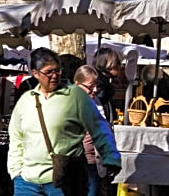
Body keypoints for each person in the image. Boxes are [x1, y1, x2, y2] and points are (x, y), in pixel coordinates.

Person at [8, 48, 121, 196]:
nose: (54, 76)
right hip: (27, 183)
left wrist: (111, 157)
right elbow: (16, 137)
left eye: (58, 71)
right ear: (35, 73)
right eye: (49, 72)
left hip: (63, 181)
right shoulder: (26, 101)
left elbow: (100, 127)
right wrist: (16, 172)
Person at [74, 65, 114, 196]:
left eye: (96, 85)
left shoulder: (99, 103)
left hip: (96, 164)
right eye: (90, 86)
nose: (95, 90)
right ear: (77, 84)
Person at [92, 47, 123, 123]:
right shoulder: (101, 85)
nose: (120, 66)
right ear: (107, 65)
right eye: (117, 63)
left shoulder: (103, 82)